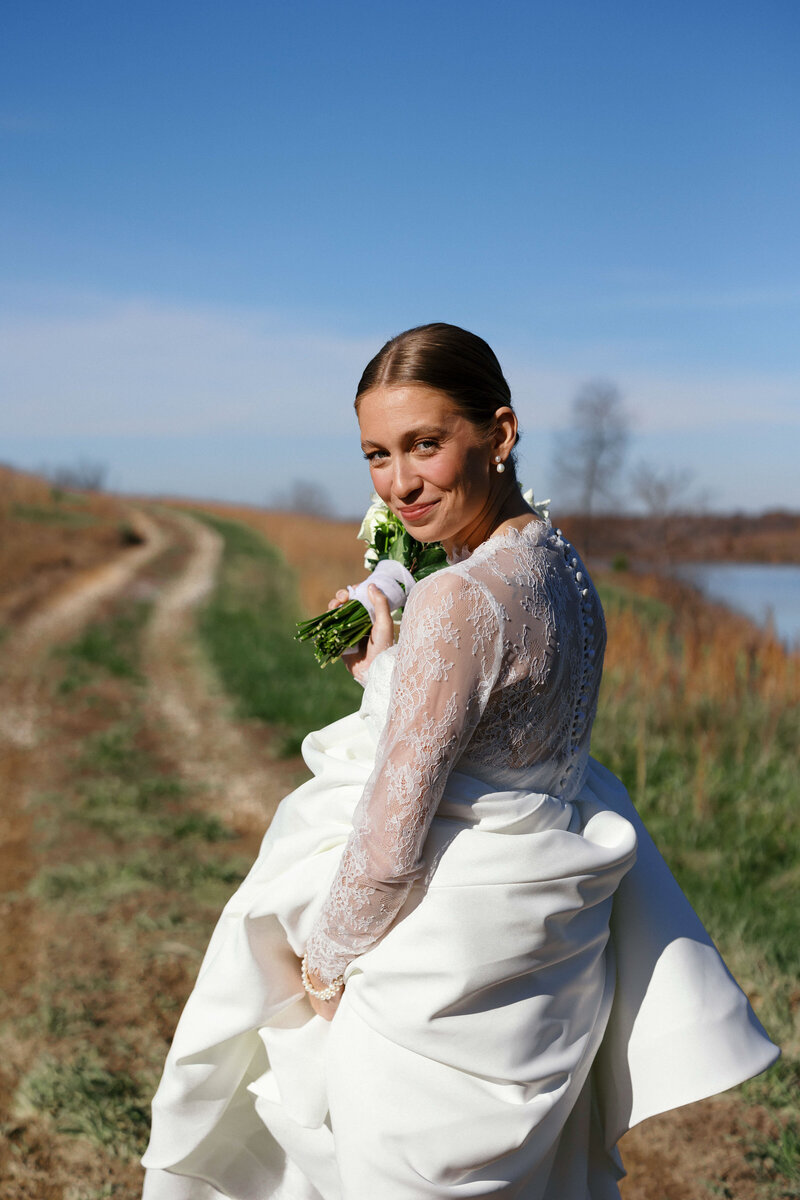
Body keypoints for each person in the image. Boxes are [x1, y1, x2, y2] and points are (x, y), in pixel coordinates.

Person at [142, 324, 778, 1200]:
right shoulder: (565, 570)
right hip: (544, 968)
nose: (399, 482)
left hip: (435, 977)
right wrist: (386, 671)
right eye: (376, 454)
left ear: (501, 434)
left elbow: (388, 844)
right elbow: (513, 740)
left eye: (424, 445)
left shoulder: (456, 598)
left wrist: (322, 969)